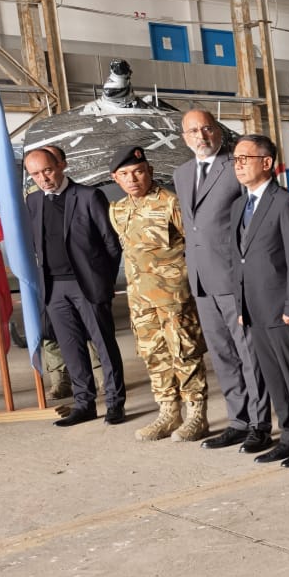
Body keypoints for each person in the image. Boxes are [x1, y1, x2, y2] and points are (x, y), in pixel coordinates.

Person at [177, 109, 272, 454]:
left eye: (206, 128)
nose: (201, 136)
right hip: (202, 280)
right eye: (193, 131)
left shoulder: (235, 166)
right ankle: (238, 421)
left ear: (217, 131)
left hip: (233, 277)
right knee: (222, 354)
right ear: (184, 137)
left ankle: (260, 424)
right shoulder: (181, 174)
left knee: (248, 352)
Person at [230, 134, 289, 468]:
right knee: (273, 377)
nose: (238, 165)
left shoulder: (284, 202)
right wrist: (241, 306)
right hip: (254, 308)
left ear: (266, 162)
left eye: (245, 159)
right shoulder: (240, 206)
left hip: (282, 307)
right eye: (235, 160)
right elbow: (238, 260)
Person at [107, 146, 209, 441]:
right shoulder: (118, 210)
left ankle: (196, 414)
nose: (132, 179)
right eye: (125, 174)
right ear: (115, 178)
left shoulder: (171, 202)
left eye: (138, 172)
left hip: (174, 298)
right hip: (141, 300)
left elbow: (196, 245)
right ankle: (168, 412)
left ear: (149, 172)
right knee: (154, 355)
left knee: (184, 352)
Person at [23, 144, 127, 427]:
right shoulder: (33, 201)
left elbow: (111, 243)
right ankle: (84, 405)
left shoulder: (89, 196)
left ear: (60, 166)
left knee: (104, 345)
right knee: (71, 349)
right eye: (35, 174)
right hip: (54, 289)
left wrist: (104, 282)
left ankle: (115, 404)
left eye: (47, 170)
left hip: (87, 285)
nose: (43, 178)